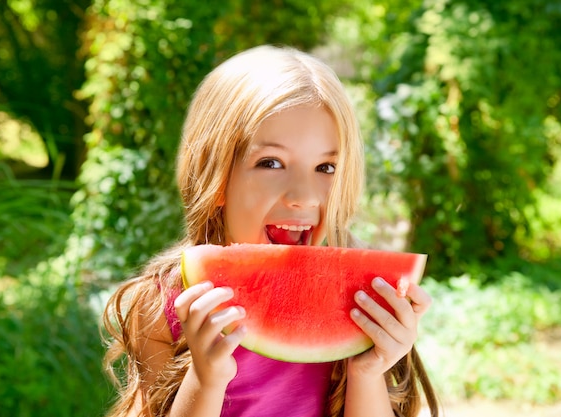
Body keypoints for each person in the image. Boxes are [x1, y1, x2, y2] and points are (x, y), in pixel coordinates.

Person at [102, 44, 439, 417]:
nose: (304, 196)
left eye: (326, 168)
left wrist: (368, 368)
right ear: (216, 177)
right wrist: (206, 378)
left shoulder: (360, 299)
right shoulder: (158, 307)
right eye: (271, 162)